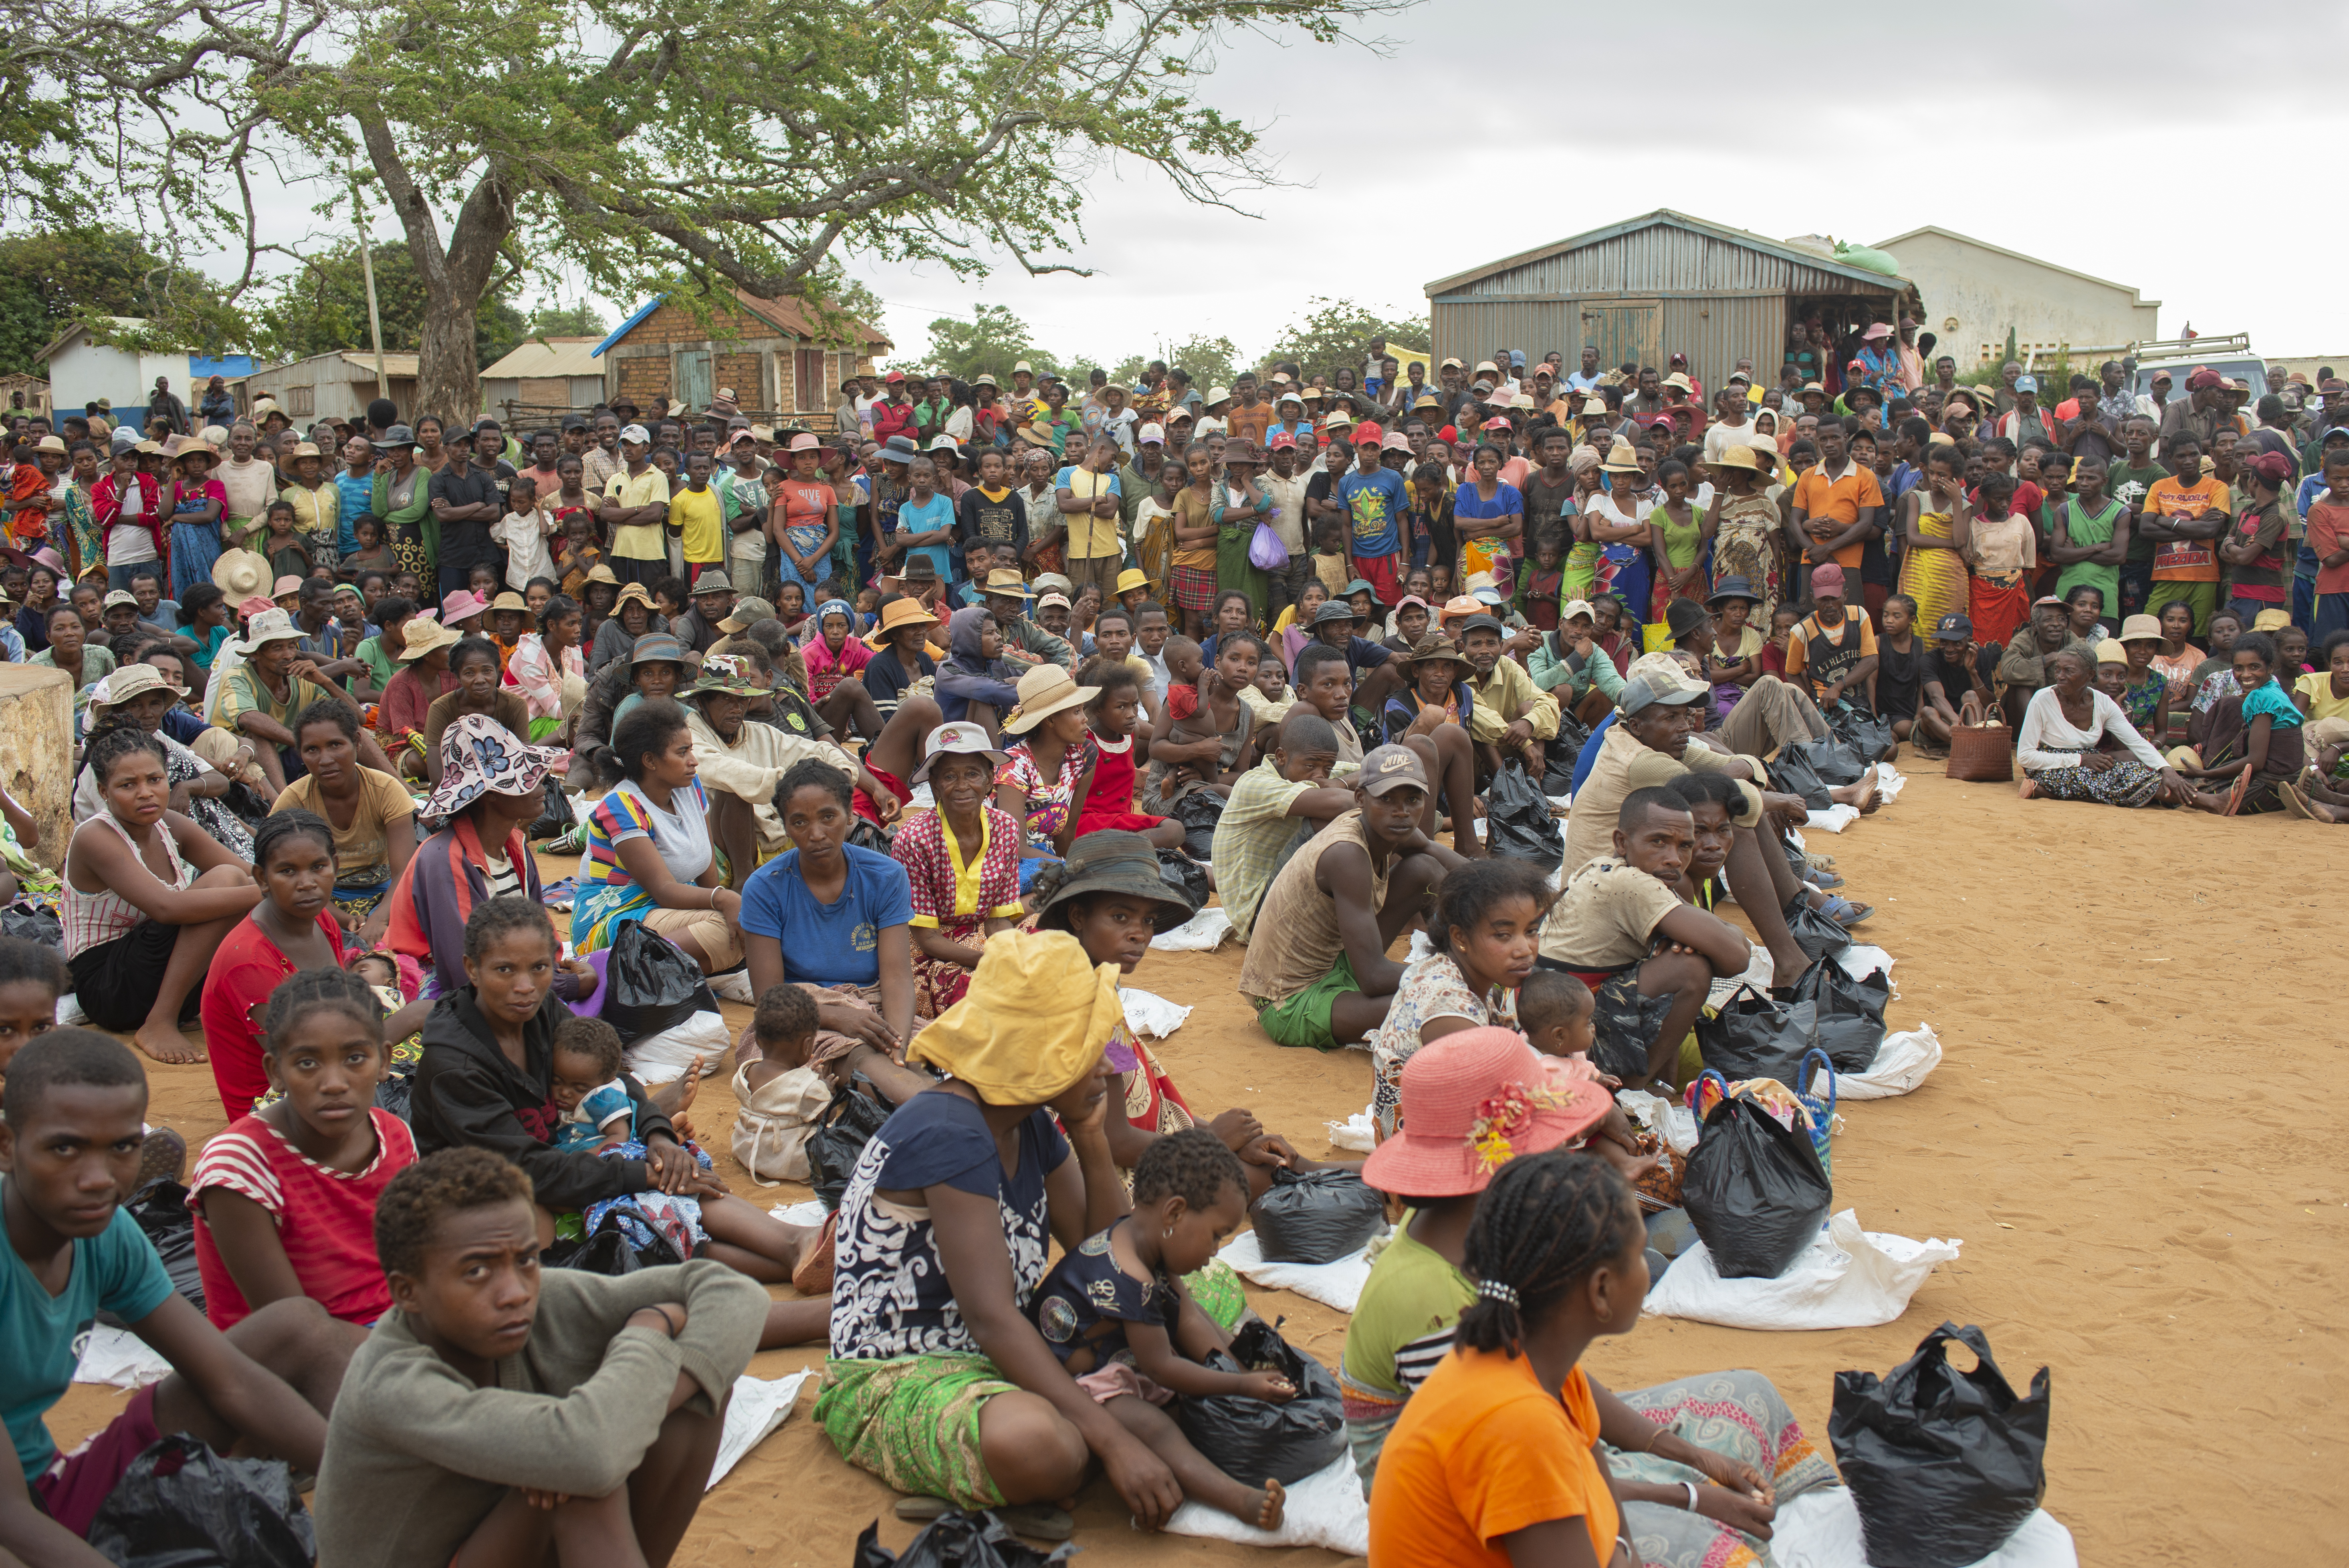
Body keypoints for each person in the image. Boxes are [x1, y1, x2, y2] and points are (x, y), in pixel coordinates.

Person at [814, 930, 1175, 1537]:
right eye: (1085, 1050)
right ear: (1041, 1054)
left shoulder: (1025, 1122)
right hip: (901, 1374)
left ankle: (1031, 1469)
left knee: (1193, 1287)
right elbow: (989, 1317)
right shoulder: (949, 1129)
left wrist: (1089, 1136)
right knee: (1045, 1446)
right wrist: (1114, 1441)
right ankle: (1034, 1468)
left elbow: (1109, 1258)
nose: (1104, 1066)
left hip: (995, 1357)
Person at [1368, 1146, 1831, 1566]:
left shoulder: (1542, 1365)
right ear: (1601, 1291)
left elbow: (1606, 1503)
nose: (1648, 1268)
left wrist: (1668, 1513)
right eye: (1637, 1256)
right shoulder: (1519, 1424)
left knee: (1752, 1396)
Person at [313, 1146, 764, 1568]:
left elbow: (735, 1293)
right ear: (407, 1292)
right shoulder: (392, 1383)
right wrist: (647, 1334)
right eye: (476, 1271)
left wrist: (657, 1392)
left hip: (502, 1536)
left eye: (526, 1259)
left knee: (698, 1393)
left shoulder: (536, 1296)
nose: (514, 1292)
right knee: (575, 1478)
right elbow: (589, 1454)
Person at [0, 1031, 355, 1554]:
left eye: (122, 1147)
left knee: (299, 1328)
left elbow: (227, 1381)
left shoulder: (109, 1235)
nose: (98, 1179)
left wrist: (368, 1480)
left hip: (50, 1488)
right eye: (64, 1148)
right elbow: (9, 1515)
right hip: (11, 1516)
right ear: (7, 1145)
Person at [1346, 1027, 1610, 1483]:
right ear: (1503, 1162)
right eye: (1550, 1148)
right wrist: (1684, 1495)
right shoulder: (1429, 1295)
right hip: (1448, 1493)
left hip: (1510, 1437)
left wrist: (1660, 1444)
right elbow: (1498, 1460)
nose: (1561, 1159)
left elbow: (1556, 1377)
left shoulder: (1473, 1226)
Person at [1025, 1129, 1290, 1529]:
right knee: (1157, 1428)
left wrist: (1238, 1368)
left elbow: (1188, 1317)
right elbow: (1164, 1366)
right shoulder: (1131, 1280)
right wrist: (1241, 1386)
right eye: (1216, 1236)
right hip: (1080, 1385)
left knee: (1198, 1388)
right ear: (1175, 1213)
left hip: (1116, 1365)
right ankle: (1239, 1500)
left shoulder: (1140, 1236)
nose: (1216, 1251)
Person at [188, 967, 419, 1332]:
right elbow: (295, 1331)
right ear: (276, 1071)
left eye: (355, 1058)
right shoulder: (240, 1165)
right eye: (307, 1063)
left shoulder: (395, 1136)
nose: (333, 1083)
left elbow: (411, 1267)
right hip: (296, 1358)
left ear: (385, 1061)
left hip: (395, 1332)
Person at [1237, 743, 1463, 1049]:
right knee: (1441, 1005)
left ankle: (1468, 952)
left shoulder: (1388, 825)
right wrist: (1459, 974)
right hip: (1290, 1001)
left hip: (1335, 964)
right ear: (1361, 799)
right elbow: (1373, 977)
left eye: (1413, 799)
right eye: (1386, 799)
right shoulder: (1346, 854)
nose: (1402, 811)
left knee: (1424, 869)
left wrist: (1503, 901)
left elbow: (1433, 854)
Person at [64, 726, 261, 1064]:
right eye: (128, 785)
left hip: (164, 973)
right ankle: (159, 1022)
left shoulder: (170, 823)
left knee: (243, 881)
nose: (146, 793)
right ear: (103, 791)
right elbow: (166, 908)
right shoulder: (95, 836)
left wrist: (300, 888)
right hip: (111, 987)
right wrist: (270, 891)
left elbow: (254, 873)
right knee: (230, 881)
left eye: (155, 780)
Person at [1541, 785, 1755, 1092]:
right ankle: (1633, 1088)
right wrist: (1709, 938)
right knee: (1690, 968)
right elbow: (1736, 956)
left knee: (1679, 956)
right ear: (1622, 842)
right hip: (1562, 1038)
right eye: (1659, 842)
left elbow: (1728, 945)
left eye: (1684, 846)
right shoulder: (1634, 885)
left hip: (1549, 1023)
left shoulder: (1606, 868)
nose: (1674, 859)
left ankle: (1659, 1081)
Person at [385, 713, 572, 999]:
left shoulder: (516, 844)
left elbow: (540, 926)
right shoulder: (444, 858)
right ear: (491, 794)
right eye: (525, 778)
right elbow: (462, 968)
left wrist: (556, 969)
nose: (542, 785)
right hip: (436, 978)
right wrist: (563, 985)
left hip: (508, 968)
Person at [1366, 857, 1550, 1140]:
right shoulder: (1449, 1008)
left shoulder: (1455, 971)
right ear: (1460, 937)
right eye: (1503, 935)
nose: (1524, 949)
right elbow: (1504, 1097)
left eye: (1531, 931)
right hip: (1428, 1162)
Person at [741, 759, 918, 1052]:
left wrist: (896, 1046)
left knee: (932, 1056)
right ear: (784, 826)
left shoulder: (886, 876)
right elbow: (768, 999)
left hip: (873, 1005)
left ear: (850, 815)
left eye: (828, 817)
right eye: (799, 822)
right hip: (799, 1013)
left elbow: (897, 979)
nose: (817, 834)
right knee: (854, 1056)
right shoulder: (764, 888)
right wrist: (838, 1017)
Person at [196, 811, 360, 1117]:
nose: (307, 883)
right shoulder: (249, 959)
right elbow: (305, 1062)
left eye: (318, 867)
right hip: (276, 1110)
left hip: (331, 1077)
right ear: (262, 878)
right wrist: (410, 1020)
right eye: (288, 871)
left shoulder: (320, 918)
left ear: (335, 866)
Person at [573, 698, 743, 978]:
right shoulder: (622, 805)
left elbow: (707, 863)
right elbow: (663, 889)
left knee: (749, 923)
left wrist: (722, 904)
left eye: (691, 749)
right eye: (682, 752)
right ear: (650, 760)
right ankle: (624, 971)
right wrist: (723, 901)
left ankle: (661, 975)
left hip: (667, 913)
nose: (694, 760)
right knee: (728, 929)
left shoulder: (690, 786)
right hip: (619, 917)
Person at [890, 723, 1024, 1015]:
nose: (962, 786)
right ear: (935, 785)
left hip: (981, 937)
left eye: (973, 774)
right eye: (950, 776)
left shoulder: (1005, 828)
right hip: (929, 953)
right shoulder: (914, 839)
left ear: (990, 779)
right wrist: (988, 962)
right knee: (978, 998)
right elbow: (925, 939)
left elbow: (999, 920)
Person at [2165, 630, 2307, 814]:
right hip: (2282, 782)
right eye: (2239, 668)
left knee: (2180, 794)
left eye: (2255, 667)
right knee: (2230, 703)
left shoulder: (2262, 696)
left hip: (2270, 789)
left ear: (2271, 667)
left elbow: (2255, 762)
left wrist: (2205, 774)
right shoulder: (2273, 688)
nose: (2246, 675)